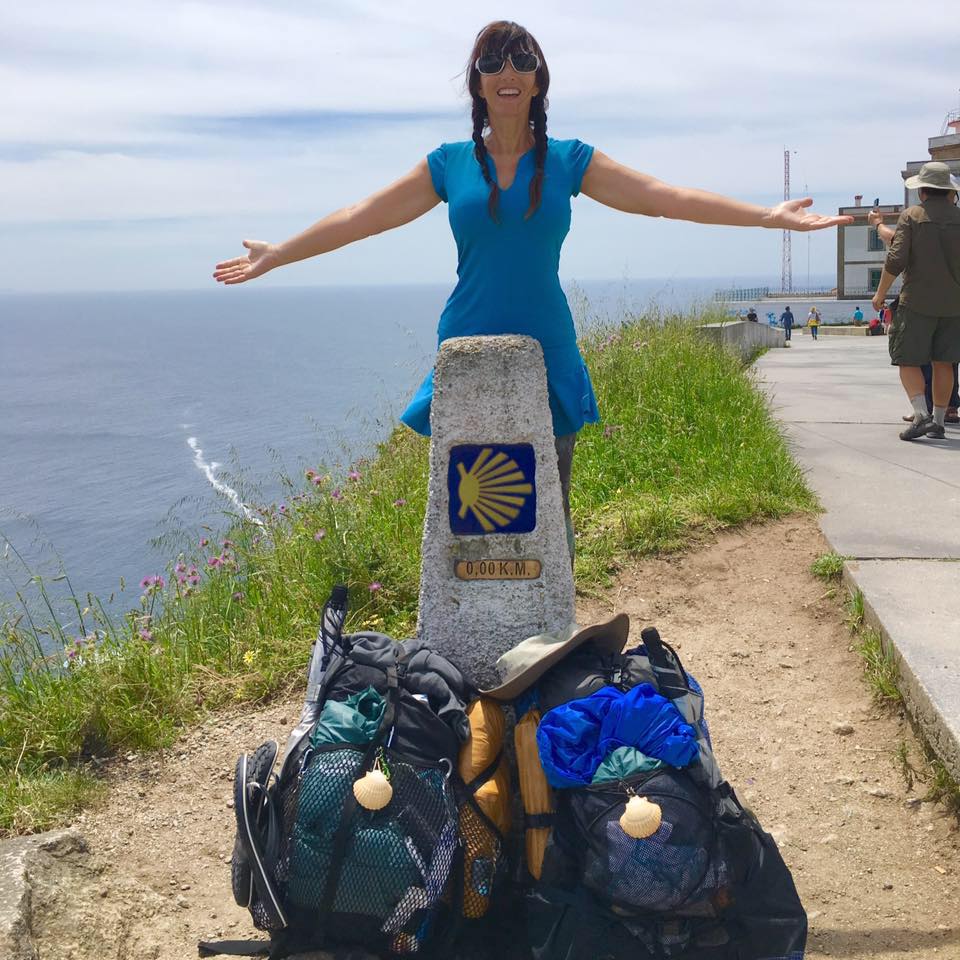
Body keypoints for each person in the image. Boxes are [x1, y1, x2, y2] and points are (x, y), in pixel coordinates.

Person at [212, 20, 852, 546]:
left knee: (547, 512)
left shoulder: (569, 160)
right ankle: (473, 633)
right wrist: (280, 253)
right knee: (469, 511)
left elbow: (665, 197)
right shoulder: (449, 164)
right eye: (492, 61)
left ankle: (548, 636)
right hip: (465, 349)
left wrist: (767, 216)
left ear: (539, 79)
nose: (508, 71)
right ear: (478, 83)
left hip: (547, 351)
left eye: (522, 59)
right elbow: (361, 217)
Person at [870, 162, 960, 440]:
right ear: (950, 192)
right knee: (944, 362)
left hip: (917, 303)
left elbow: (895, 259)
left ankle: (921, 416)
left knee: (906, 359)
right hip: (954, 306)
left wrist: (880, 294)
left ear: (922, 191)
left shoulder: (912, 216)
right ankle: (939, 422)